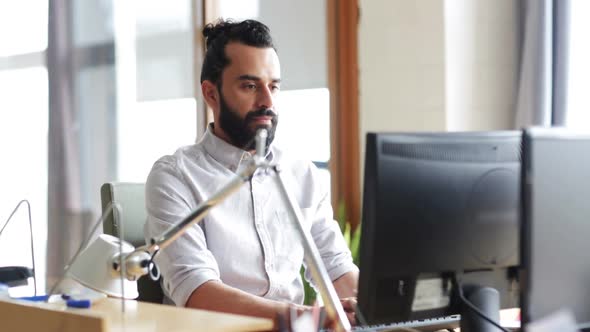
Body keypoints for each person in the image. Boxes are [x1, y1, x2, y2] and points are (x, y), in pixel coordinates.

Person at [144, 18, 358, 326]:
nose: (267, 102)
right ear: (211, 94)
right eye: (250, 86)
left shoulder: (300, 173)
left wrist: (383, 307)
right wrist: (307, 319)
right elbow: (198, 292)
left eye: (273, 86)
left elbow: (336, 268)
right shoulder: (175, 176)